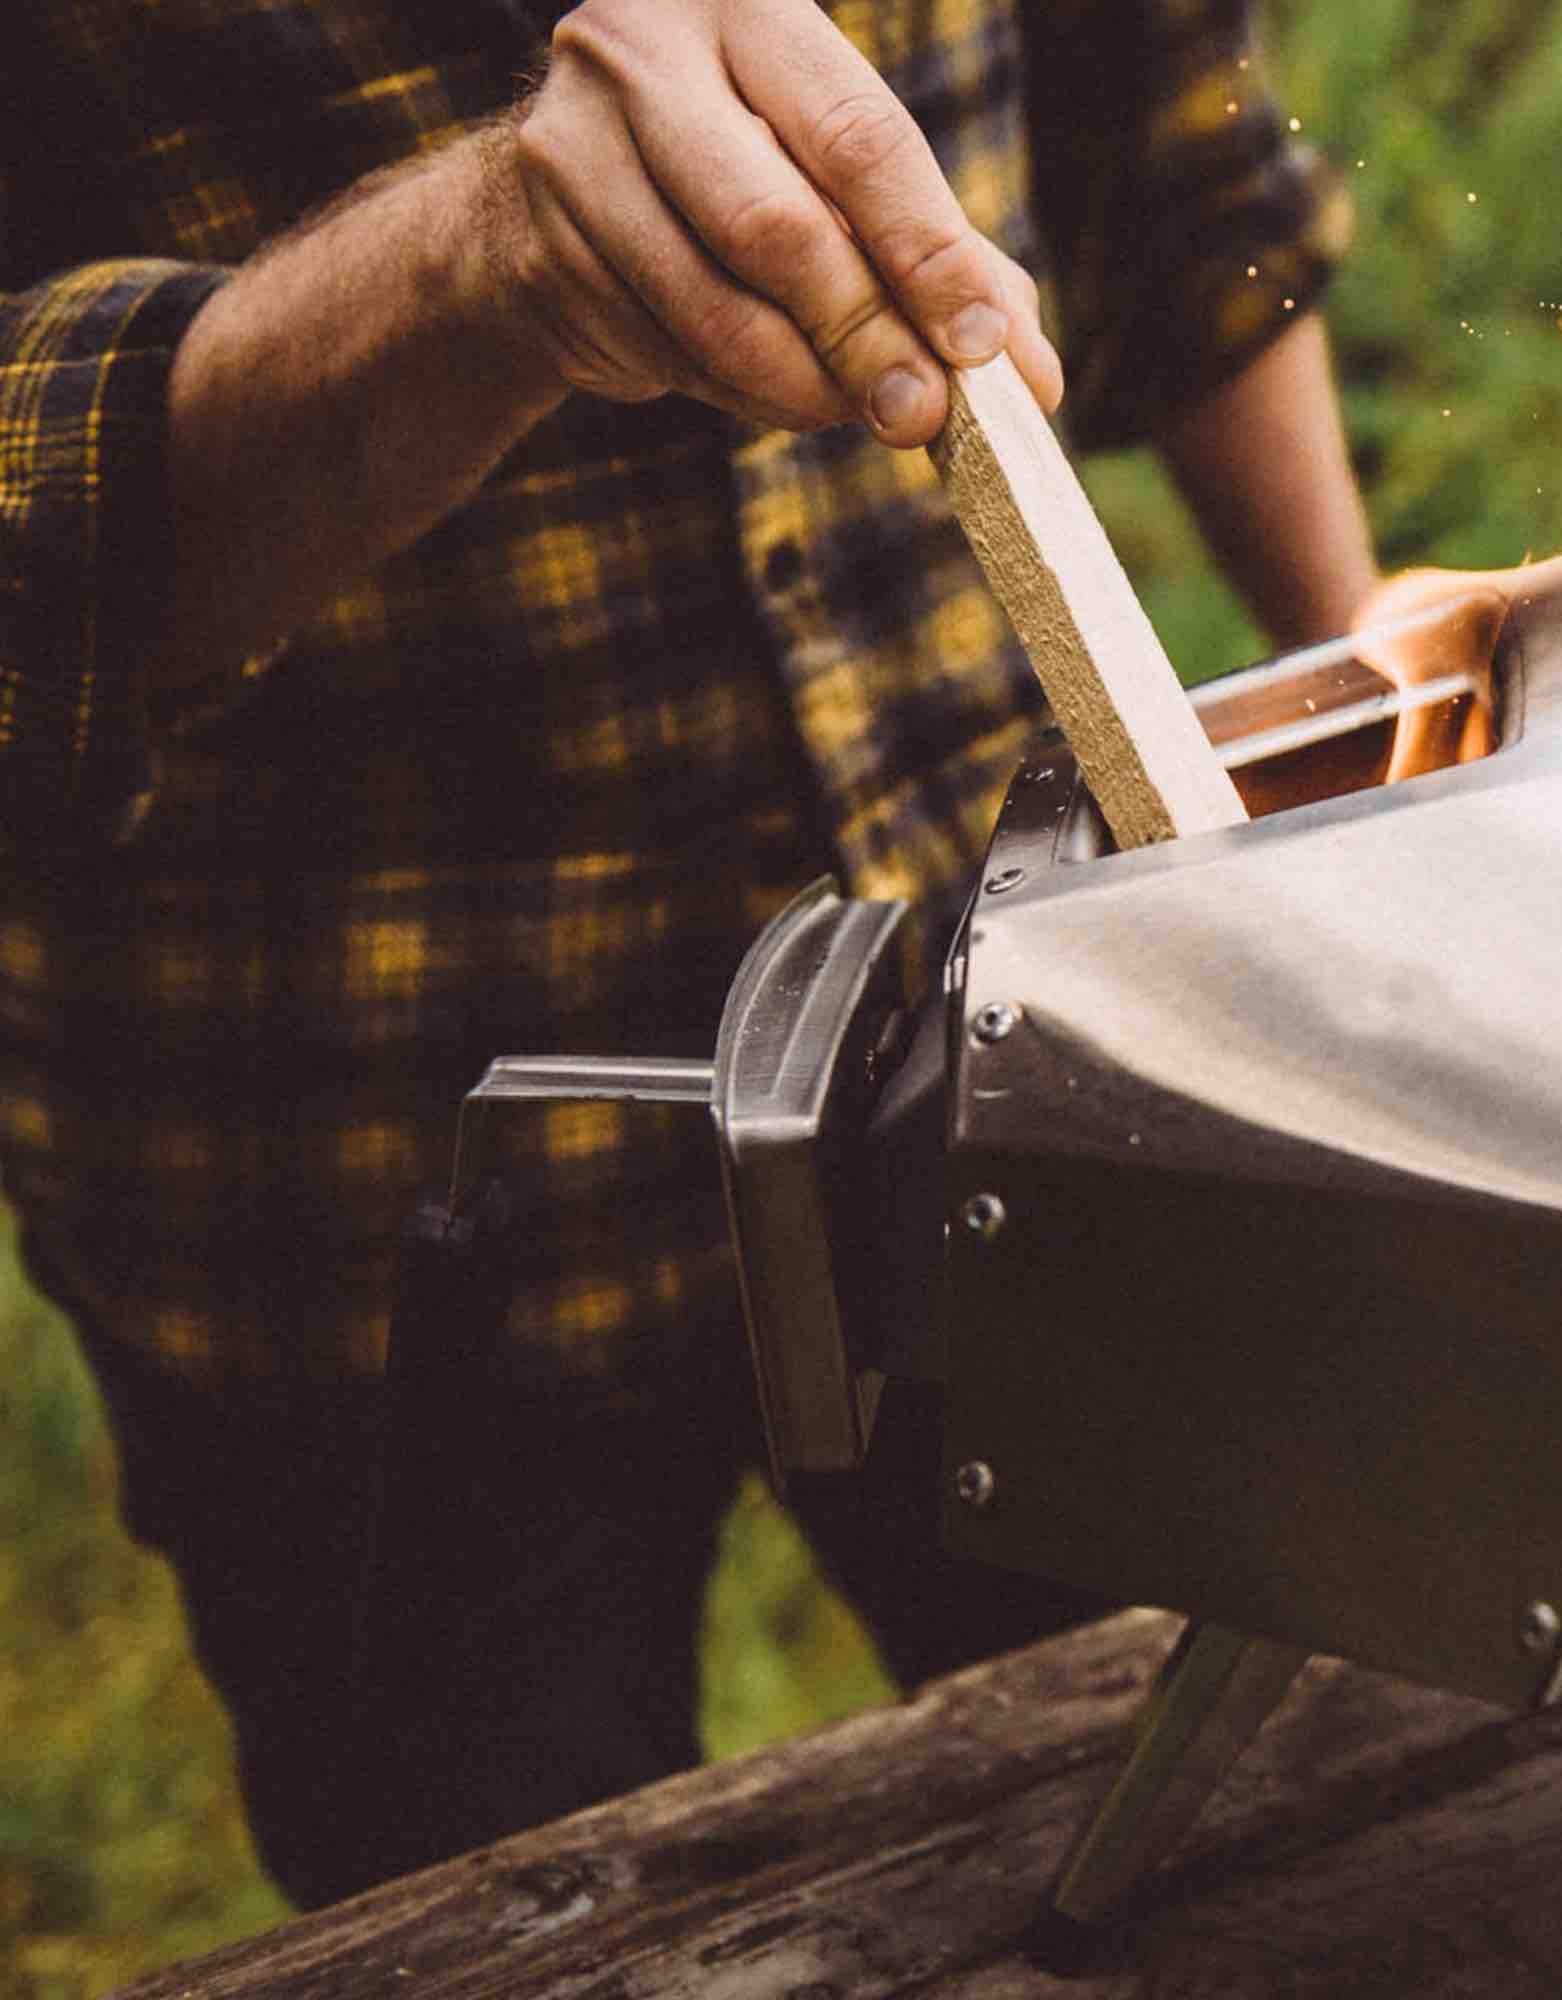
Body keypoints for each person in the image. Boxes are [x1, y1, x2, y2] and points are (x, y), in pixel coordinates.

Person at [0, 0, 1377, 1908]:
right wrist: (460, 275)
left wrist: (1366, 701)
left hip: (1012, 1047)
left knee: (1245, 1852)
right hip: (347, 1167)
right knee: (502, 1917)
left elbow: (1169, 158)